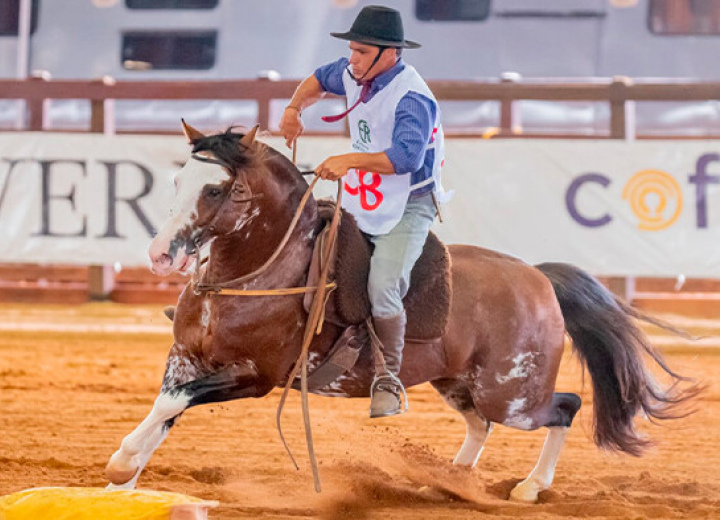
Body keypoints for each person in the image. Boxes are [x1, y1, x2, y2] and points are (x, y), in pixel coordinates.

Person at [279, 5, 447, 418]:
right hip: (367, 196)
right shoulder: (357, 71)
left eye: (360, 52)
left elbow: (406, 158)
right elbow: (319, 78)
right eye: (351, 50)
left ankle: (388, 377)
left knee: (382, 286)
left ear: (388, 53)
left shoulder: (412, 98)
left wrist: (350, 160)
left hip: (409, 205)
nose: (350, 59)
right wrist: (292, 109)